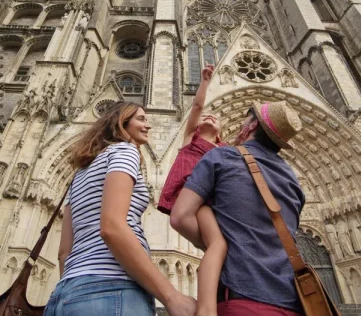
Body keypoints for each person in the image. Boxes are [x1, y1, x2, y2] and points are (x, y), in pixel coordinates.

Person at [44, 101, 196, 316]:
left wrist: (77, 292)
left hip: (65, 292)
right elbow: (112, 227)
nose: (148, 125)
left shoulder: (80, 173)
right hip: (113, 287)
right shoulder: (124, 151)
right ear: (121, 123)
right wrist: (171, 296)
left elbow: (64, 253)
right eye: (141, 119)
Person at [171, 100, 305, 316]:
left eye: (245, 118)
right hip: (294, 302)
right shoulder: (293, 181)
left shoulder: (222, 156)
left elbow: (180, 217)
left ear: (251, 126)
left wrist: (218, 244)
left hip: (243, 300)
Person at [158, 64, 228, 316]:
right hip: (192, 198)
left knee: (217, 251)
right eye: (206, 118)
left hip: (212, 202)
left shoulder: (224, 150)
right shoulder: (191, 138)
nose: (211, 117)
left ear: (221, 134)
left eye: (216, 118)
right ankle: (207, 310)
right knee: (218, 246)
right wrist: (205, 82)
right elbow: (197, 108)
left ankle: (218, 300)